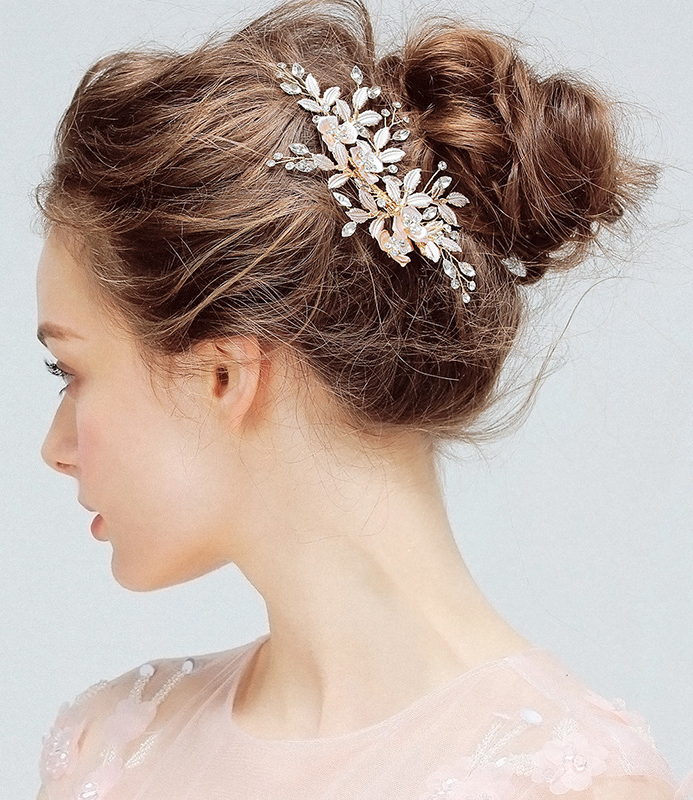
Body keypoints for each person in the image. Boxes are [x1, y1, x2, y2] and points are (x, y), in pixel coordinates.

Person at [33, 0, 688, 797]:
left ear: (224, 375)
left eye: (70, 372)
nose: (54, 448)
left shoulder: (574, 785)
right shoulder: (111, 745)